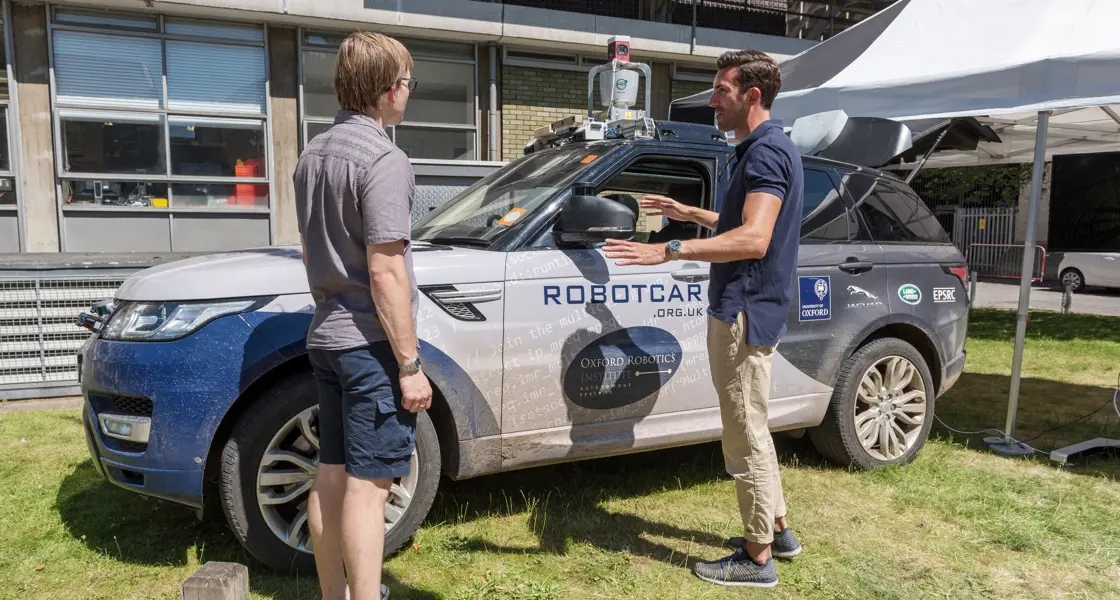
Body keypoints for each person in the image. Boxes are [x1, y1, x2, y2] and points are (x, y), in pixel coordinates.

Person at [602, 49, 804, 588]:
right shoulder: (768, 148)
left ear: (751, 95)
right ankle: (779, 529)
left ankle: (757, 557)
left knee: (743, 433)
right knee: (752, 423)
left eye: (721, 91)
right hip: (749, 307)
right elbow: (748, 222)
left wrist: (668, 251)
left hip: (742, 310)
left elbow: (755, 238)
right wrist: (693, 214)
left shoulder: (764, 154)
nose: (712, 101)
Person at [293, 31, 431, 600]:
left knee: (329, 474)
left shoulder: (312, 154)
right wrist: (409, 363)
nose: (408, 93)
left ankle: (335, 595)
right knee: (370, 487)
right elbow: (386, 270)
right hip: (370, 345)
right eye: (407, 82)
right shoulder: (384, 158)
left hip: (326, 336)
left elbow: (309, 250)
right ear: (386, 88)